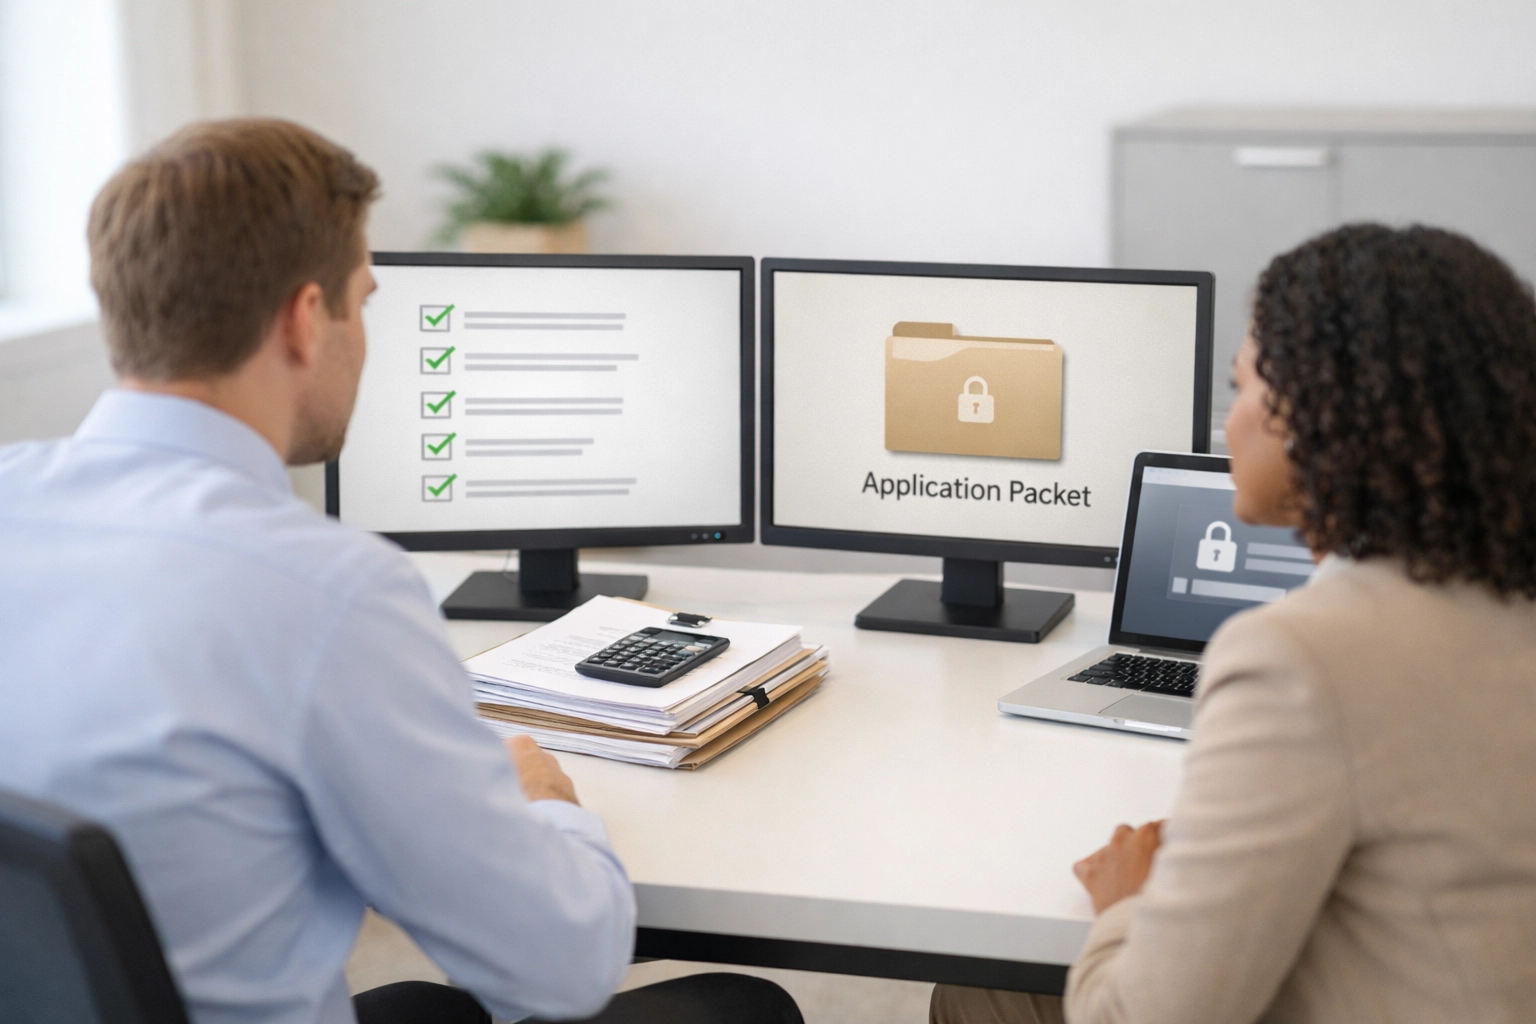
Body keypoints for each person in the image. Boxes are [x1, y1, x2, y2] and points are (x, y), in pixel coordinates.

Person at [0, 119, 800, 1024]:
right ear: (307, 320)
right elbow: (560, 971)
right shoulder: (325, 593)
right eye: (364, 301)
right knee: (741, 1006)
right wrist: (542, 810)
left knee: (425, 1006)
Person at [932, 223, 1536, 1024]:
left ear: (1317, 414)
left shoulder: (1303, 655)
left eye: (1242, 385)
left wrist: (1126, 904)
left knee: (977, 993)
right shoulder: (1499, 594)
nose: (1231, 420)